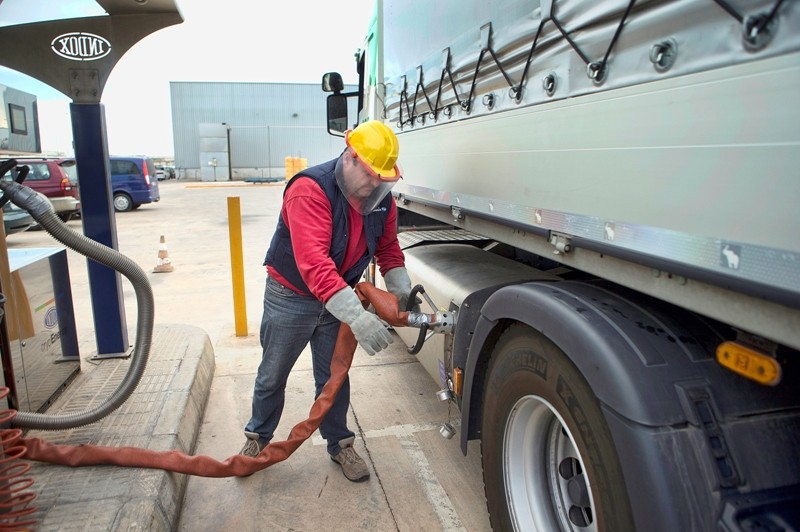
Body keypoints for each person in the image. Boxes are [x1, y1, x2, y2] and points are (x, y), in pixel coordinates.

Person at [239, 120, 415, 482]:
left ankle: (340, 443)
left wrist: (400, 292)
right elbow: (315, 266)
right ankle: (258, 437)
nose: (374, 186)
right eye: (369, 176)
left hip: (338, 298)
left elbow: (388, 249)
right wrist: (360, 318)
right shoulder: (310, 190)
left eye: (382, 179)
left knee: (335, 376)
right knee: (273, 373)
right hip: (292, 296)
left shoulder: (379, 198)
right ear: (349, 157)